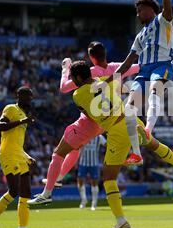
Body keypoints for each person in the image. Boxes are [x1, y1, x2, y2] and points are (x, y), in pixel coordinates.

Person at [70, 60, 173, 228]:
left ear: (78, 77)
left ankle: (120, 220)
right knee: (153, 144)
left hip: (116, 130)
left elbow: (88, 115)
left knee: (109, 178)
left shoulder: (78, 95)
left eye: (72, 78)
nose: (72, 81)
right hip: (130, 118)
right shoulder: (104, 80)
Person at [29, 41, 140, 205]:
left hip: (91, 121)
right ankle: (58, 178)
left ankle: (48, 191)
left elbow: (64, 88)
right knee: (75, 148)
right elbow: (135, 67)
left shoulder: (91, 74)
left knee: (59, 153)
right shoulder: (115, 70)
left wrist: (65, 68)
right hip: (109, 120)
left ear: (91, 58)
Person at [97, 0, 173, 165]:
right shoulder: (140, 36)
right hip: (143, 70)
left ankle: (147, 129)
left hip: (162, 65)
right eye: (137, 11)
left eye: (140, 10)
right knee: (129, 109)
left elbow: (167, 9)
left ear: (150, 10)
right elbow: (128, 60)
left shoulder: (162, 20)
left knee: (154, 93)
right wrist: (110, 79)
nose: (138, 14)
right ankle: (136, 153)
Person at [0, 87, 38, 228]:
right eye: (27, 95)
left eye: (31, 96)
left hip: (19, 154)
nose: (29, 98)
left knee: (26, 193)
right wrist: (22, 121)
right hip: (7, 154)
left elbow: (16, 142)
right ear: (18, 95)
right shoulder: (11, 108)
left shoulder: (24, 114)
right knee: (14, 191)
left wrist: (26, 155)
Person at [77, 135, 106, 211]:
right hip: (83, 162)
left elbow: (106, 145)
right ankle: (83, 200)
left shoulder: (99, 137)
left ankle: (94, 204)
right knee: (80, 181)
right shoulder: (82, 136)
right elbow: (78, 148)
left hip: (94, 163)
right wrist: (75, 161)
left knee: (94, 183)